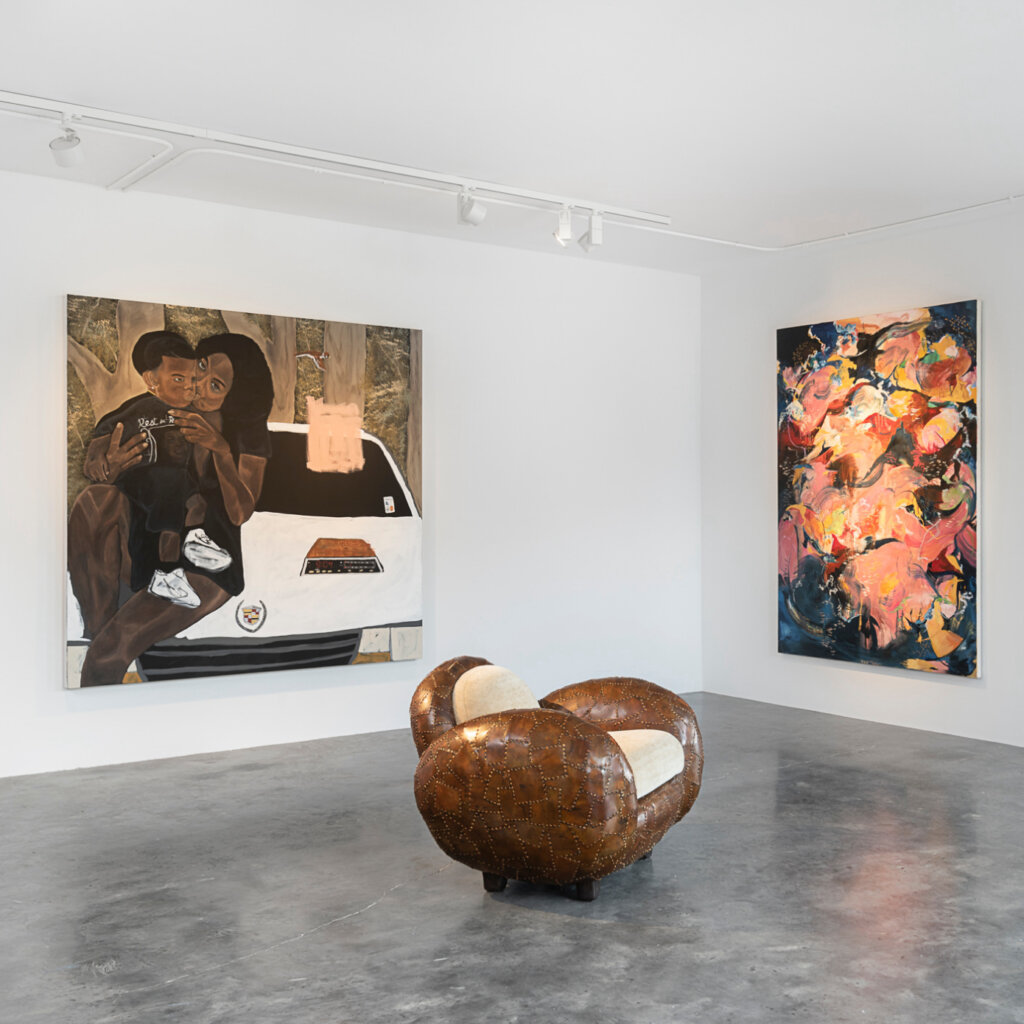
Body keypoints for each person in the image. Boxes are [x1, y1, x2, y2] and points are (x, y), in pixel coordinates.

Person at [68, 333, 275, 686]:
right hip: (145, 545)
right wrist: (109, 466)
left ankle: (105, 654)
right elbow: (105, 462)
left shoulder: (246, 435)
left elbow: (241, 513)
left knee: (107, 653)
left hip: (204, 562)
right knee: (95, 499)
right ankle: (99, 630)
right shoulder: (160, 409)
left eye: (216, 385)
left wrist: (220, 450)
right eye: (202, 367)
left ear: (233, 396)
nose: (199, 384)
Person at [86, 331, 233, 609]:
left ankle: (195, 543)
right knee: (166, 514)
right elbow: (103, 435)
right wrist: (96, 459)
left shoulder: (194, 413)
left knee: (196, 502)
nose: (188, 388)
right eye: (178, 379)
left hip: (175, 481)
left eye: (192, 380)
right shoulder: (139, 408)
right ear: (151, 380)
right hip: (140, 478)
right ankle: (166, 573)